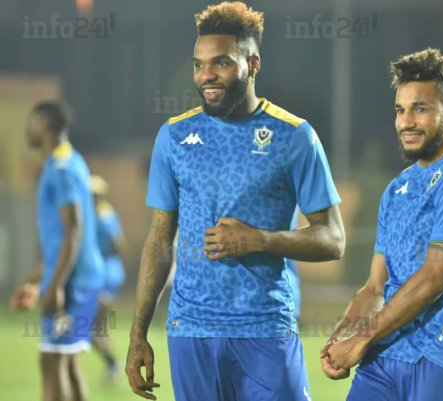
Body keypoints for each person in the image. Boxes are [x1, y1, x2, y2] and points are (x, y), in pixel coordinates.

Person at [125, 2, 345, 401]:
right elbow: (159, 238)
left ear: (253, 63)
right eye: (199, 64)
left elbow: (332, 239)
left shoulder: (294, 136)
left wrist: (260, 239)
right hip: (191, 332)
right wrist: (138, 333)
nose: (206, 75)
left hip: (265, 330)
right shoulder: (174, 137)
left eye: (221, 63)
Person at [320, 48, 443, 401]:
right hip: (383, 358)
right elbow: (375, 287)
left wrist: (361, 339)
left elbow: (435, 277)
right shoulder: (397, 188)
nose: (406, 122)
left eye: (420, 109)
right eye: (400, 110)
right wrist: (342, 335)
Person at [10, 100, 105, 401]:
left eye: (32, 123)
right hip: (77, 277)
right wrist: (35, 281)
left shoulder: (62, 167)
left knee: (52, 362)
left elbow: (73, 228)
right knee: (67, 361)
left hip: (74, 282)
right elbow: (59, 241)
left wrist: (56, 286)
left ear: (45, 125)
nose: (28, 129)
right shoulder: (66, 160)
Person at [90, 174, 127, 382]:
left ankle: (113, 364)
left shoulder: (104, 215)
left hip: (106, 274)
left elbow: (118, 243)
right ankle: (112, 365)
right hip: (102, 272)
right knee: (97, 327)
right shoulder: (94, 213)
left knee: (91, 326)